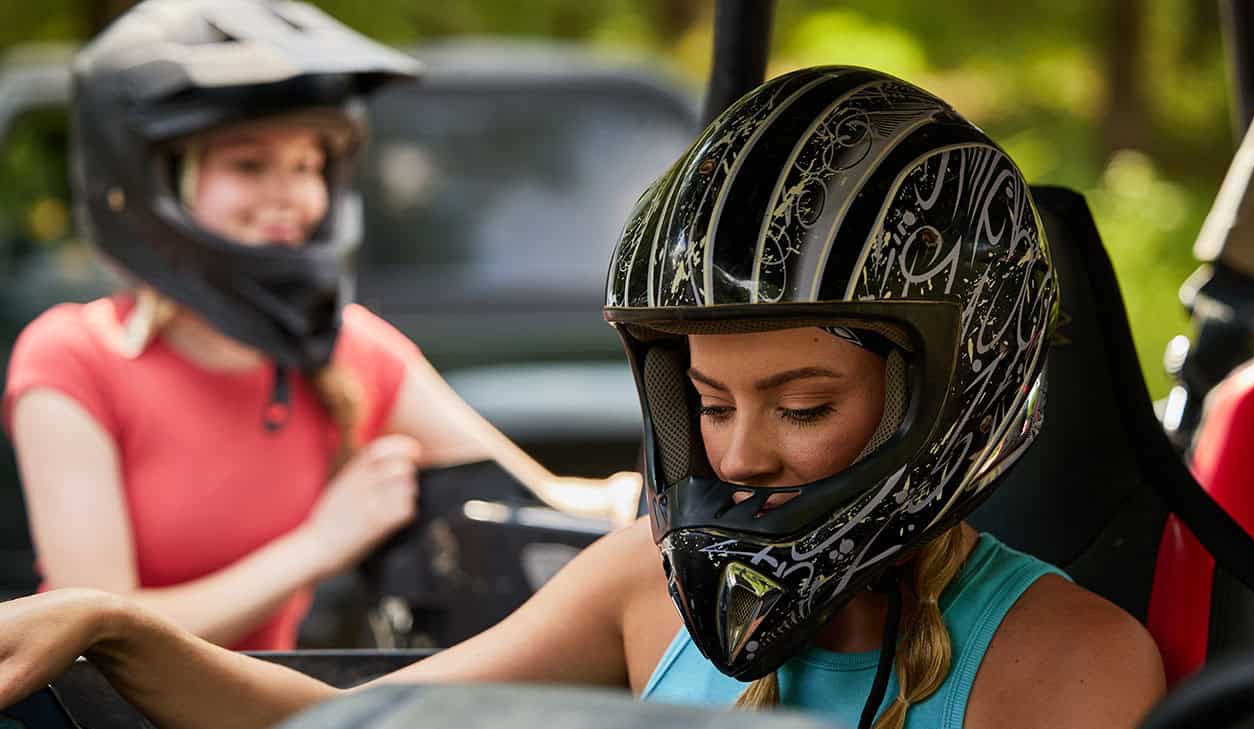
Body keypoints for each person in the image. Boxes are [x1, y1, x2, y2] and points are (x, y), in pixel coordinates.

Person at [0, 66, 1165, 728]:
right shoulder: (638, 586)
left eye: (803, 407)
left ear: (954, 398)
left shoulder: (1069, 663)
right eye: (709, 402)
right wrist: (111, 624)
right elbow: (342, 727)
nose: (741, 454)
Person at [1, 0, 637, 652]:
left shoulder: (342, 348)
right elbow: (92, 629)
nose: (289, 196)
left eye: (306, 166)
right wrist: (319, 544)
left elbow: (538, 496)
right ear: (147, 182)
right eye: (248, 165)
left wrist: (661, 506)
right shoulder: (72, 358)